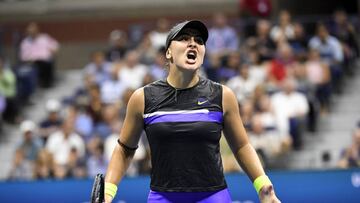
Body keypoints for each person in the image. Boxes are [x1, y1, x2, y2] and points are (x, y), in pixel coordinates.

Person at [104, 20, 280, 203]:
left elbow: (242, 146)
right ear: (168, 52)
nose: (193, 43)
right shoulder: (142, 98)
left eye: (199, 41)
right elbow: (125, 149)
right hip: (162, 197)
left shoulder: (222, 95)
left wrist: (263, 185)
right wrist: (107, 192)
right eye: (184, 38)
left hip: (213, 197)